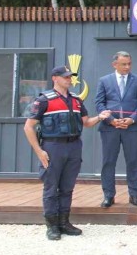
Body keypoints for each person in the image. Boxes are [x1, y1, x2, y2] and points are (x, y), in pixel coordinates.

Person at [23, 66, 111, 240]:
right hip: (52, 147)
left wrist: (101, 116)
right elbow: (28, 126)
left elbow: (86, 122)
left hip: (73, 146)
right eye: (65, 77)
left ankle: (64, 222)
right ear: (55, 78)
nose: (69, 79)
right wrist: (39, 151)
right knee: (50, 187)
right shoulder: (44, 100)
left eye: (70, 77)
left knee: (67, 187)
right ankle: (52, 226)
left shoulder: (76, 101)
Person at [95, 51, 137, 208]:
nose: (127, 67)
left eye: (129, 64)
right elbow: (99, 103)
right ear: (114, 64)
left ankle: (134, 195)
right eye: (124, 64)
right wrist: (111, 120)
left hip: (132, 128)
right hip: (110, 128)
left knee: (133, 161)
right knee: (108, 162)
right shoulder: (104, 80)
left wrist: (131, 119)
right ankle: (108, 196)